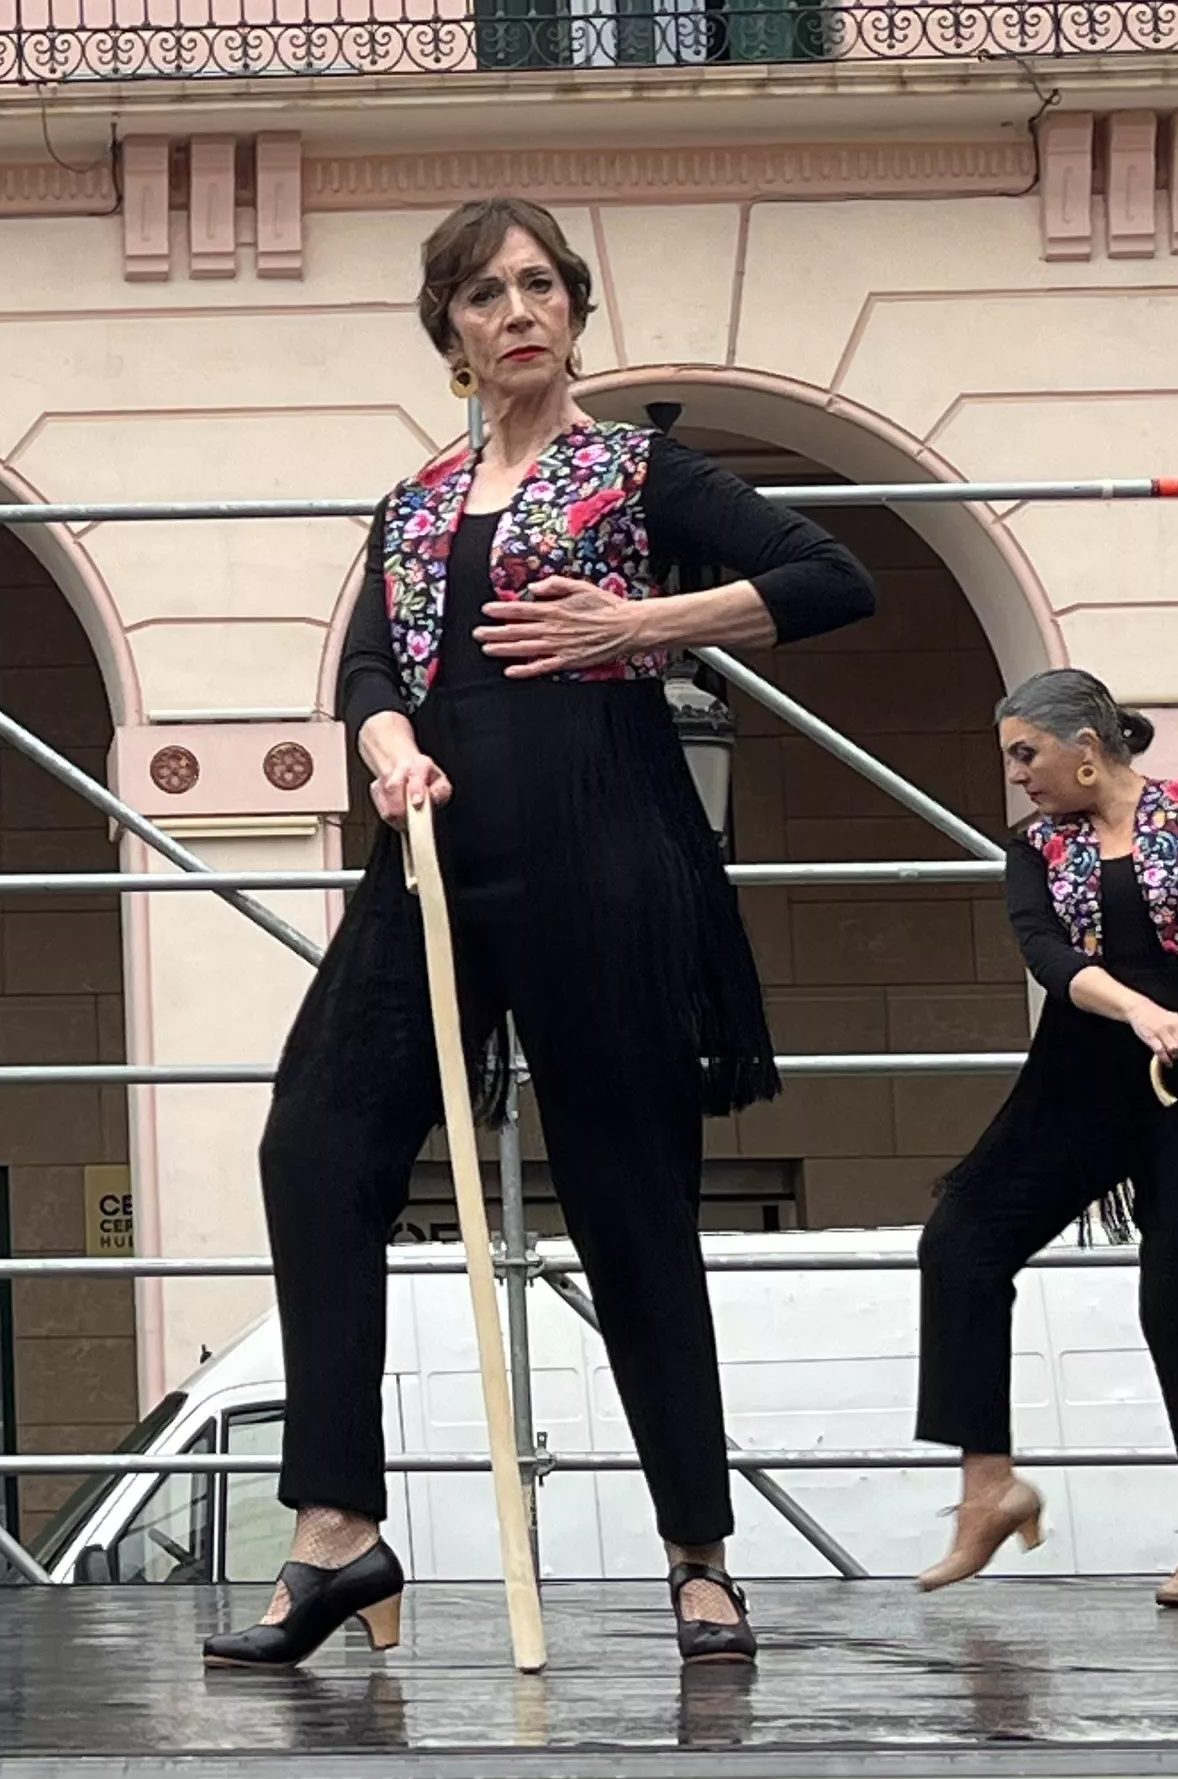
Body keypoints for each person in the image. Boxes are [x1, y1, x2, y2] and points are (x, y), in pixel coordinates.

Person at [212, 198, 875, 1675]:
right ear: (447, 326)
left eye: (542, 285)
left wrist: (646, 623)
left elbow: (833, 576)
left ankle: (697, 1554)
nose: (519, 309)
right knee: (313, 1141)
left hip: (606, 851)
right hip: (437, 854)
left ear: (575, 309)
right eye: (486, 291)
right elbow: (371, 664)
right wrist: (387, 743)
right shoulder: (419, 495)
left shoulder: (639, 467)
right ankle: (335, 1529)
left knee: (630, 1193)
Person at [913, 667, 1178, 1606]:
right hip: (1086, 1073)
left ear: (1084, 748)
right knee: (961, 1239)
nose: (1017, 774)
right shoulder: (1037, 847)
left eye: (1026, 753)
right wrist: (1139, 1010)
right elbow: (1047, 955)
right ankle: (988, 1487)